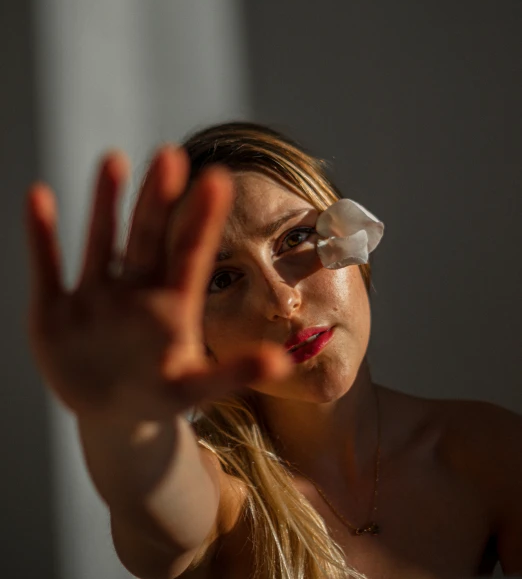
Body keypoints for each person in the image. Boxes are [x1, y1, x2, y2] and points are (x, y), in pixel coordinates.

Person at [25, 121, 522, 579]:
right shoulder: (223, 493)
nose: (282, 301)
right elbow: (157, 506)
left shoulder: (490, 451)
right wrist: (126, 418)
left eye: (296, 237)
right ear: (195, 329)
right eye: (222, 279)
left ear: (354, 239)